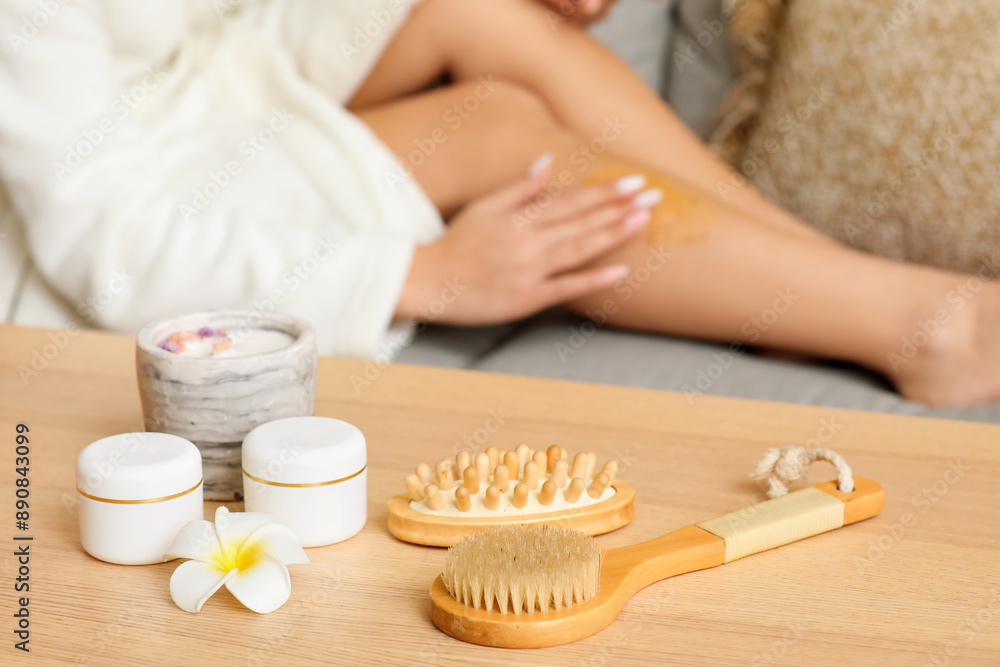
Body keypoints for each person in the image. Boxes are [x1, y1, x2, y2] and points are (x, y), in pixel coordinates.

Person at [0, 0, 996, 408]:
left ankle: (826, 301)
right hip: (86, 225)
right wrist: (419, 276)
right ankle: (923, 324)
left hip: (203, 102)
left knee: (481, 13)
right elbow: (104, 233)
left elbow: (235, 26)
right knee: (495, 127)